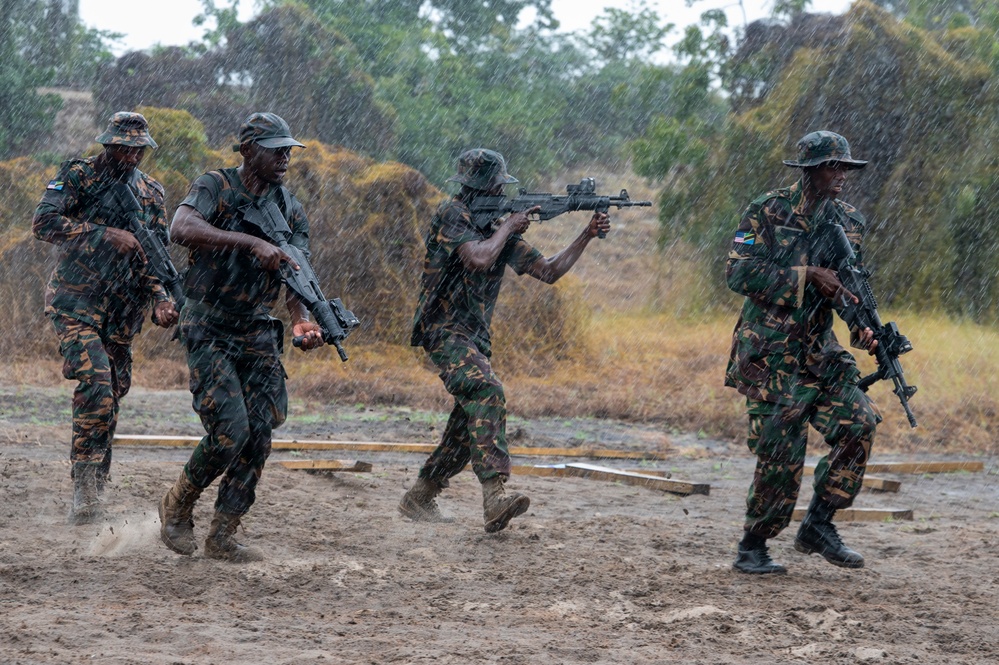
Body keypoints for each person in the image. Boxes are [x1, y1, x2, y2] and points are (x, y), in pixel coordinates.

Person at [400, 148, 611, 533]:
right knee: (487, 392)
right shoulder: (454, 215)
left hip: (474, 336)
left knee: (468, 423)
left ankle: (420, 496)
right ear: (485, 186)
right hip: (442, 328)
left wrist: (586, 235)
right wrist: (508, 227)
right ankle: (495, 496)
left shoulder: (498, 226)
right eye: (498, 185)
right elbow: (477, 258)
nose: (503, 192)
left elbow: (548, 271)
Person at [158, 112, 323, 562]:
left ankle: (223, 532)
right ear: (249, 150)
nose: (286, 157)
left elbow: (296, 272)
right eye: (276, 148)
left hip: (255, 327)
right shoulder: (216, 185)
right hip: (208, 323)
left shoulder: (290, 207)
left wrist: (302, 319)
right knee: (230, 428)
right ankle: (177, 504)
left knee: (260, 431)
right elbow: (181, 228)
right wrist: (248, 243)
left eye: (289, 148)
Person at [725, 130, 882, 574]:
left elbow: (848, 287)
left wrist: (865, 330)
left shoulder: (850, 222)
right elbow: (737, 273)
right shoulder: (767, 210)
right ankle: (752, 546)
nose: (842, 177)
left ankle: (818, 524)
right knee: (782, 452)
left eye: (846, 168)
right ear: (811, 170)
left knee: (860, 422)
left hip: (819, 351)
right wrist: (804, 276)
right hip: (769, 353)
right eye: (834, 167)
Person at [32, 112, 179, 525]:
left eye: (138, 149)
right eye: (123, 148)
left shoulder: (151, 192)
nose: (132, 156)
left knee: (112, 397)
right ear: (107, 145)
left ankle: (98, 481)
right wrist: (102, 234)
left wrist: (162, 299)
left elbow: (154, 254)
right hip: (75, 301)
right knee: (96, 384)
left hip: (122, 311)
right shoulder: (77, 176)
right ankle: (84, 487)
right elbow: (43, 223)